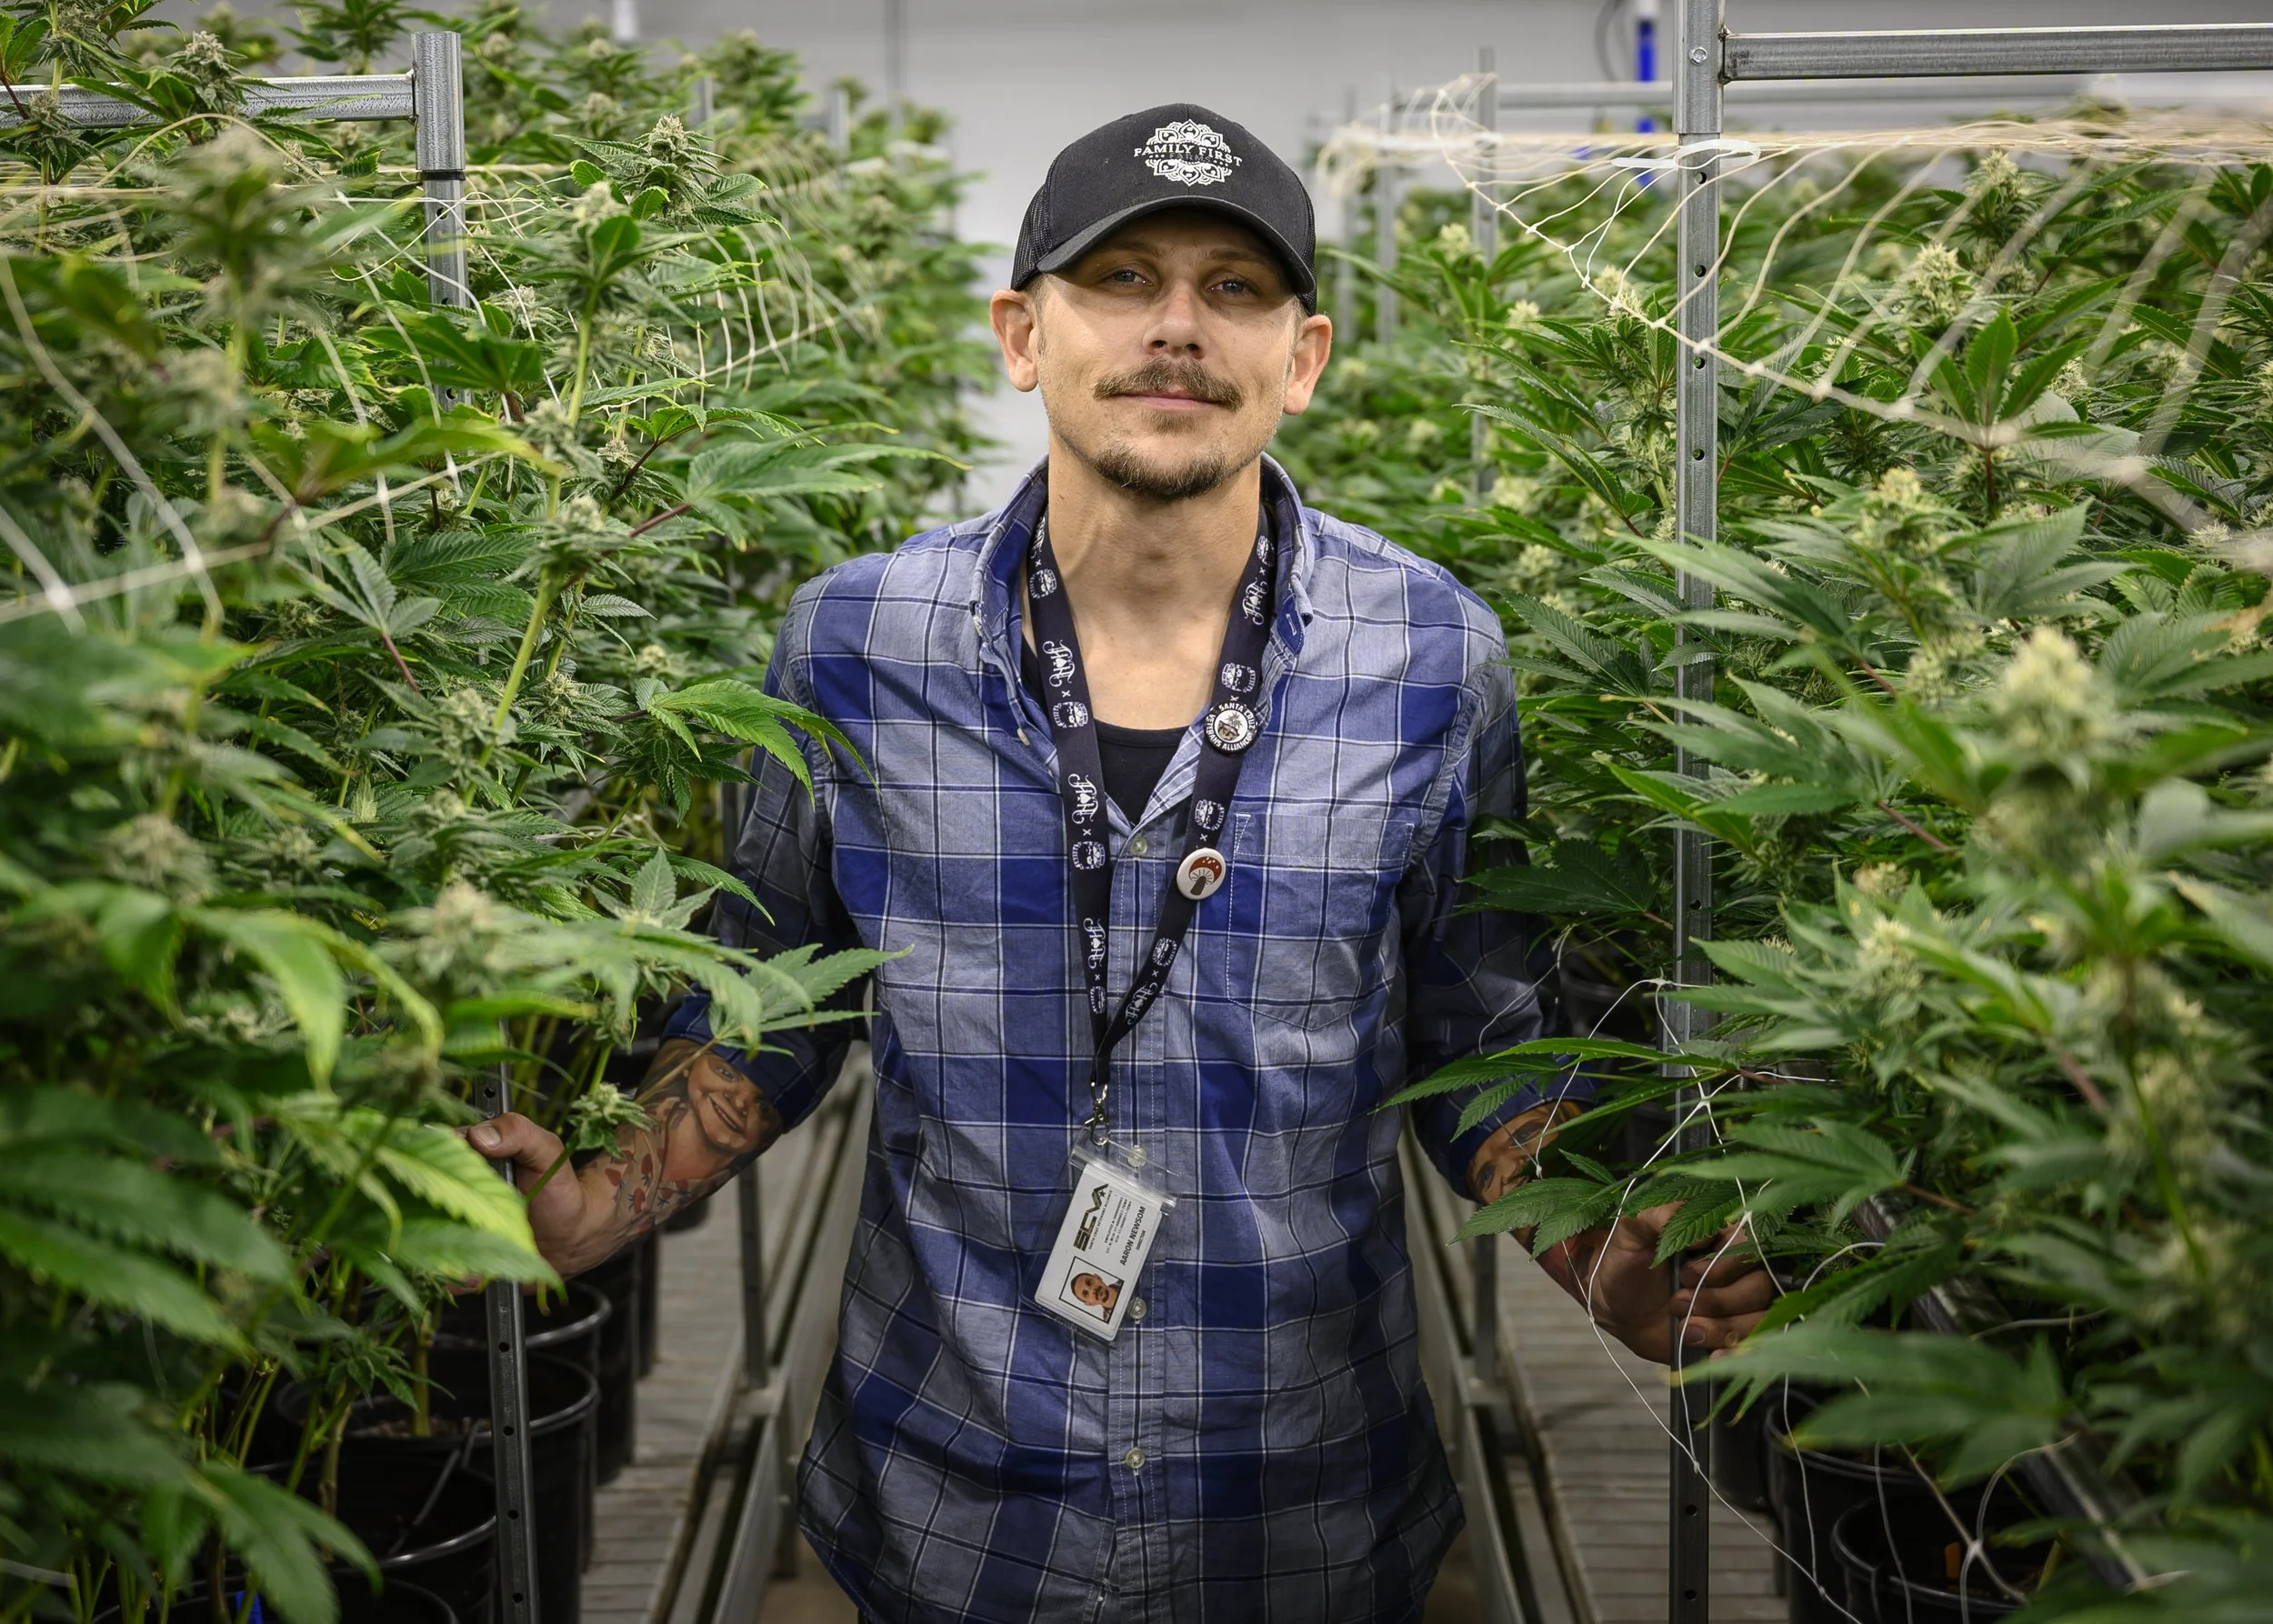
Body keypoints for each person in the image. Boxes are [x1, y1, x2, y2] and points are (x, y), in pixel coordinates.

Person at [472, 104, 1772, 1623]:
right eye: (1123, 277)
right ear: (1023, 335)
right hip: (951, 1501)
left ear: (1302, 357)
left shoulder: (1432, 655)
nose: (1178, 326)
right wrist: (599, 1203)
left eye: (1236, 288)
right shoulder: (856, 644)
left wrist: (1606, 1256)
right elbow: (773, 1002)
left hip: (1303, 1506)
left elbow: (1475, 1035)